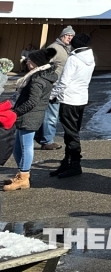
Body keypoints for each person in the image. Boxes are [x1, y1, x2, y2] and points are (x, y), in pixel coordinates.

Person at [4, 47, 57, 192]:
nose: (27, 62)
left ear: (37, 63)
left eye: (30, 60)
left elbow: (32, 101)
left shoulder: (38, 80)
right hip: (27, 115)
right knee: (17, 147)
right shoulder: (37, 76)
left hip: (30, 116)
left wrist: (16, 112)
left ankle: (23, 176)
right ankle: (22, 173)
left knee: (25, 146)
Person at [50, 32, 96, 179]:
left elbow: (64, 81)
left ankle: (75, 164)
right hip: (81, 98)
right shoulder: (90, 58)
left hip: (69, 99)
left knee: (71, 134)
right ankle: (67, 162)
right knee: (73, 132)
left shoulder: (73, 59)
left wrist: (52, 95)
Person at [35, 26, 74, 151]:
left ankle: (41, 136)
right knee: (51, 114)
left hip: (61, 85)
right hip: (53, 85)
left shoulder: (68, 49)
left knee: (50, 113)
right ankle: (47, 141)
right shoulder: (55, 48)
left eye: (72, 36)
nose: (69, 38)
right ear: (62, 36)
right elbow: (43, 64)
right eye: (67, 35)